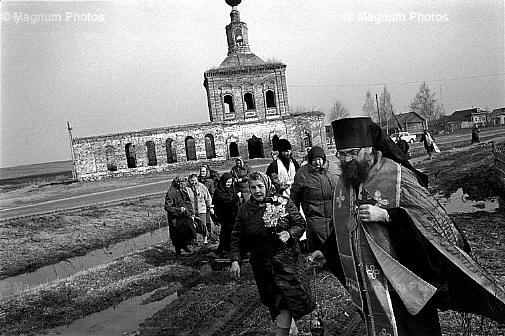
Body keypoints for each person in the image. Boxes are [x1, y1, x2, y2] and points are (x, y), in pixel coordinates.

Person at [309, 117, 505, 336]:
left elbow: (429, 220)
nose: (346, 160)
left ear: (369, 149)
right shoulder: (345, 183)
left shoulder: (397, 176)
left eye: (353, 153)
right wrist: (325, 250)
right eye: (341, 154)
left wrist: (386, 216)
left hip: (405, 280)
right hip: (372, 283)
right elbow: (345, 223)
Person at [230, 172, 314, 336]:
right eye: (253, 187)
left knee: (287, 302)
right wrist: (235, 260)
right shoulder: (245, 210)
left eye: (260, 186)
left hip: (287, 263)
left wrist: (289, 234)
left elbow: (300, 223)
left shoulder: (282, 202)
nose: (257, 191)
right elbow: (237, 237)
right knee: (277, 304)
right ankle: (292, 330)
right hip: (263, 267)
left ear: (267, 186)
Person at [290, 146, 335, 252]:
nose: (318, 162)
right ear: (310, 160)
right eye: (314, 160)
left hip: (332, 216)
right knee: (318, 246)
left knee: (333, 245)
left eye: (319, 159)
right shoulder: (302, 174)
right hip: (314, 217)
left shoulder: (332, 170)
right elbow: (294, 197)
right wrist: (294, 217)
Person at [164, 176, 196, 256]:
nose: (183, 185)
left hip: (184, 216)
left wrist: (191, 213)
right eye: (182, 184)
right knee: (176, 236)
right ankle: (178, 253)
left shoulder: (182, 190)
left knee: (185, 233)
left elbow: (187, 202)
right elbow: (168, 207)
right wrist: (178, 210)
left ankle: (185, 247)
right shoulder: (170, 193)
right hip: (175, 218)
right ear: (178, 183)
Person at [212, 172, 241, 258]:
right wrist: (236, 197)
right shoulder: (219, 191)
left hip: (233, 215)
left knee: (234, 233)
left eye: (230, 182)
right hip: (224, 216)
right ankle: (224, 250)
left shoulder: (232, 189)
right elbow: (226, 202)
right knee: (226, 232)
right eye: (227, 182)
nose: (228, 184)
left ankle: (232, 249)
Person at [187, 173, 214, 245]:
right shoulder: (187, 189)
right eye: (192, 181)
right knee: (192, 226)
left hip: (201, 209)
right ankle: (194, 240)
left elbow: (208, 198)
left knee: (203, 225)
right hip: (192, 211)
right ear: (189, 180)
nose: (194, 182)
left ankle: (205, 240)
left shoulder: (202, 187)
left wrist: (210, 207)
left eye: (195, 180)